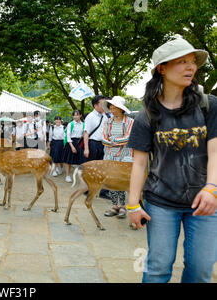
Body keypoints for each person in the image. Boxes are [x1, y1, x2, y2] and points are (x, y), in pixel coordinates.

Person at [128, 36, 217, 283]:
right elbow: (139, 163)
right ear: (162, 69)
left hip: (205, 202)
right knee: (158, 267)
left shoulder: (208, 106)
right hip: (161, 202)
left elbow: (215, 152)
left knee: (200, 270)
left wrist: (212, 188)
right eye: (182, 61)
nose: (191, 67)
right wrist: (133, 204)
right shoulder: (147, 114)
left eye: (193, 62)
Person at [101, 96, 134, 218]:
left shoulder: (130, 122)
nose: (113, 110)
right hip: (109, 155)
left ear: (121, 109)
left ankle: (122, 206)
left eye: (115, 108)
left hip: (124, 156)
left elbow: (128, 138)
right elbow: (104, 139)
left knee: (121, 181)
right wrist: (114, 142)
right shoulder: (107, 122)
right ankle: (114, 205)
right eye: (111, 108)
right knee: (111, 181)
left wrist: (112, 140)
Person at [83, 95, 108, 161]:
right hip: (93, 144)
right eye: (102, 104)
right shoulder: (90, 116)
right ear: (95, 105)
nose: (104, 106)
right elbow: (86, 133)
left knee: (101, 164)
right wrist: (86, 149)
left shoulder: (105, 116)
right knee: (92, 165)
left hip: (103, 144)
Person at [64, 110, 85, 183]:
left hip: (80, 143)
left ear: (80, 115)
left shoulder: (83, 124)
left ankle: (80, 176)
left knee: (81, 160)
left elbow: (84, 134)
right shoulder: (71, 124)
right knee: (69, 160)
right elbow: (68, 136)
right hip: (71, 143)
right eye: (74, 115)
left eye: (77, 115)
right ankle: (67, 175)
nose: (75, 116)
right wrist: (72, 147)